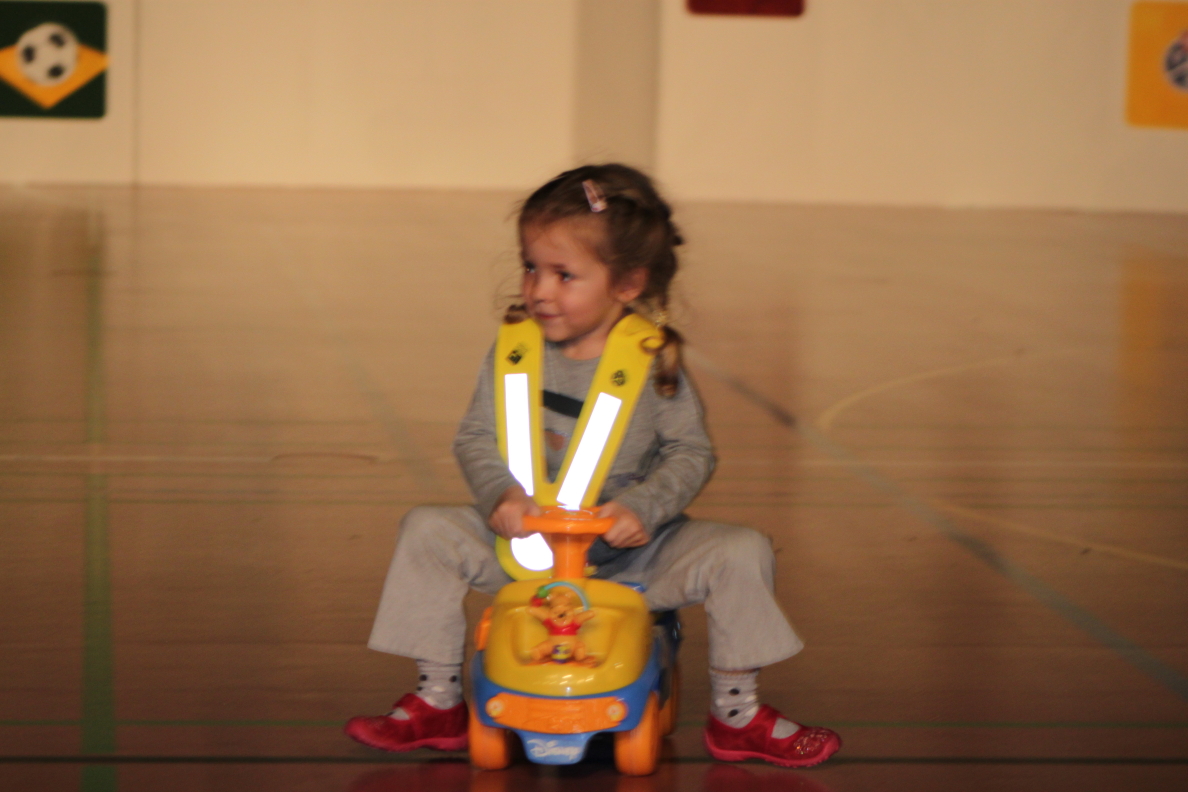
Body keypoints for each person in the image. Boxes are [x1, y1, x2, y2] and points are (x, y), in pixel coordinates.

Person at [345, 164, 841, 768]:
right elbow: (475, 436)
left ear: (627, 283)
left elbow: (691, 452)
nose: (539, 290)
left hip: (631, 558)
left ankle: (736, 713)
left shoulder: (651, 361)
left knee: (742, 551)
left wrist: (642, 508)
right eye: (531, 267)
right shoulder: (515, 350)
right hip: (525, 554)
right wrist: (500, 495)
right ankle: (439, 699)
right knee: (426, 529)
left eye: (564, 275)